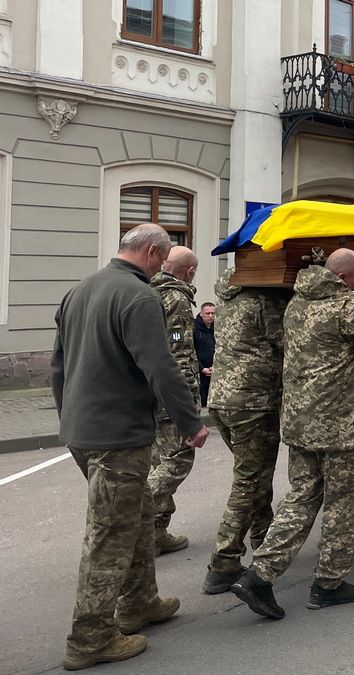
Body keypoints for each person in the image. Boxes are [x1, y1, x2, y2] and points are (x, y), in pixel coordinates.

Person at [52, 223, 208, 670]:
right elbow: (160, 366)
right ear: (155, 253)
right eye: (164, 257)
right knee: (110, 535)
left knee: (138, 516)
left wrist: (68, 417)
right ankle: (91, 638)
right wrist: (189, 422)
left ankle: (141, 602)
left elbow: (59, 363)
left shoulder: (81, 289)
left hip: (84, 429)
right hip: (118, 436)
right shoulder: (140, 297)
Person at [231, 249, 354, 619]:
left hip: (301, 423)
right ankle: (328, 583)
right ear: (343, 279)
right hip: (339, 426)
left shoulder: (298, 302)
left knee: (301, 498)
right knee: (342, 505)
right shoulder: (347, 309)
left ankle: (258, 576)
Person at [202, 269, 290, 595]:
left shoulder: (228, 296)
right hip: (254, 400)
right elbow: (288, 343)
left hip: (223, 398)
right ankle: (223, 561)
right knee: (249, 480)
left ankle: (263, 539)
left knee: (256, 474)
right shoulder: (265, 300)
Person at [147, 245, 201, 555]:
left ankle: (157, 531)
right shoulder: (176, 299)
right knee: (177, 459)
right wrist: (190, 399)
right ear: (190, 270)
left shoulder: (146, 291)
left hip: (148, 390)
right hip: (169, 393)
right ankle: (139, 520)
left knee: (159, 459)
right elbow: (180, 353)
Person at [194, 302, 215, 407]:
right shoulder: (194, 328)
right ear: (201, 313)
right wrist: (202, 368)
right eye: (207, 313)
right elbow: (192, 351)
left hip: (214, 369)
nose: (210, 316)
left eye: (213, 313)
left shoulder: (217, 328)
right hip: (199, 371)